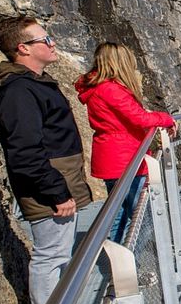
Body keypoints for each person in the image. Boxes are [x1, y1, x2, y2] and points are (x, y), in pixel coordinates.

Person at [0, 15, 93, 304]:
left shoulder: (30, 84)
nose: (52, 43)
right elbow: (25, 152)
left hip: (59, 180)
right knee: (50, 255)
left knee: (60, 253)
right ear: (23, 48)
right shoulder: (18, 92)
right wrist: (56, 191)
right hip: (49, 188)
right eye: (46, 39)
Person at [75, 43, 175, 242]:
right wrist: (166, 118)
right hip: (126, 158)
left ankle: (119, 257)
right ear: (120, 63)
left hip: (112, 156)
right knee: (141, 216)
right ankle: (137, 264)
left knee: (119, 211)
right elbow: (140, 119)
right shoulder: (111, 89)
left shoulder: (97, 89)